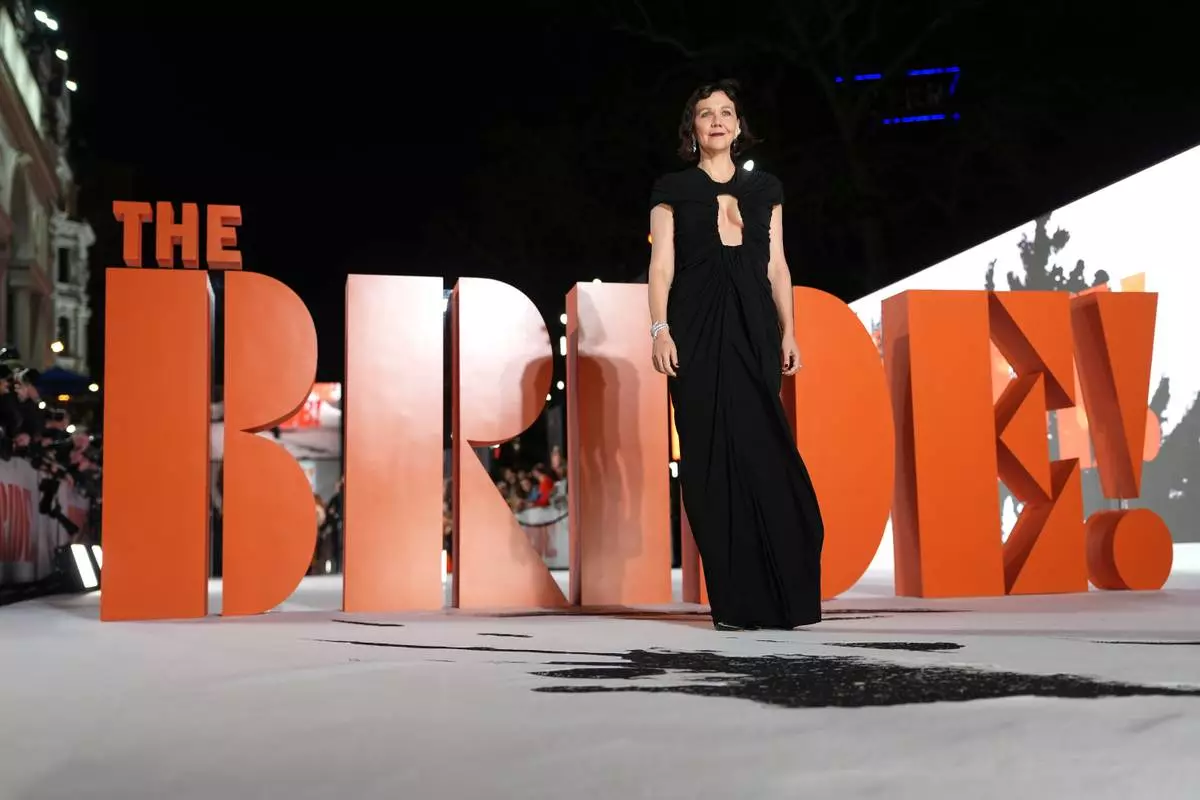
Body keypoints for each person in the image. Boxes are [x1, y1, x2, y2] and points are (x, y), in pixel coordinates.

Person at [647, 79, 824, 631]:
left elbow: (778, 266)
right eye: (706, 114)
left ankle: (785, 594)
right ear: (692, 129)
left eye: (726, 113)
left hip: (755, 333)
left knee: (767, 456)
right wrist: (659, 329)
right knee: (709, 462)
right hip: (696, 335)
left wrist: (789, 331)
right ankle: (735, 602)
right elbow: (661, 268)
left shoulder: (766, 189)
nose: (717, 121)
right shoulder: (672, 188)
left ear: (739, 126)